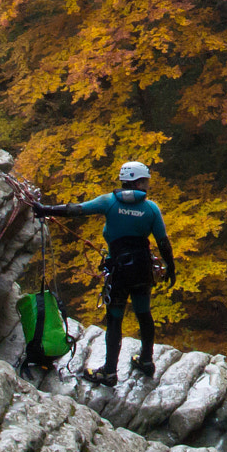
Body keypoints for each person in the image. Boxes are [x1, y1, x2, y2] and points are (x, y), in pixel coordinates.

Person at [34, 161, 176, 384]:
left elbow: (76, 210)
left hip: (118, 272)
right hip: (141, 271)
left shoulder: (108, 202)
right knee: (144, 314)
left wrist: (45, 210)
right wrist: (171, 267)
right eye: (144, 181)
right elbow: (163, 242)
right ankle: (146, 361)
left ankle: (109, 372)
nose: (147, 185)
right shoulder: (151, 209)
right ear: (136, 181)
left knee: (115, 320)